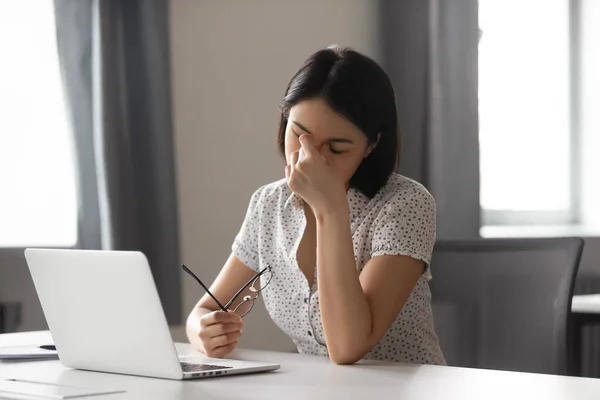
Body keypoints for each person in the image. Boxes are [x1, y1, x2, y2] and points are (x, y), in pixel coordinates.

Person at [185, 45, 446, 365]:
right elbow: (206, 309)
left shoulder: (405, 204)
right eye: (299, 135)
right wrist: (203, 331)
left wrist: (331, 209)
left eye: (336, 148)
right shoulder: (269, 204)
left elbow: (348, 346)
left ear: (371, 144)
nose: (310, 159)